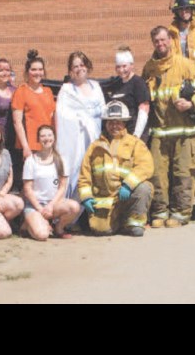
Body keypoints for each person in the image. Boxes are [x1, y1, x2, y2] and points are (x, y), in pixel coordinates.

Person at [142, 25, 195, 228]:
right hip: (160, 133)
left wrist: (191, 104)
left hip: (185, 133)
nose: (161, 44)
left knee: (183, 173)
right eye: (156, 41)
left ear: (171, 41)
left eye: (164, 40)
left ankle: (181, 213)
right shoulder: (149, 68)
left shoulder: (186, 65)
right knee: (157, 175)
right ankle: (160, 212)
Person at [78, 101, 154, 237]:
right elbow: (85, 175)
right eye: (110, 122)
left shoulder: (135, 143)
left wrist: (128, 184)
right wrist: (86, 197)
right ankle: (118, 223)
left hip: (126, 195)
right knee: (101, 231)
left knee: (144, 187)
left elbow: (146, 166)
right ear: (105, 124)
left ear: (124, 123)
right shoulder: (94, 147)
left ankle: (134, 223)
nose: (114, 126)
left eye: (118, 122)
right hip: (106, 200)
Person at [55, 51, 105, 199]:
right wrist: (81, 119)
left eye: (82, 64)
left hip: (94, 137)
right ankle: (71, 212)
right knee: (76, 171)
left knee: (94, 171)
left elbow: (103, 109)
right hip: (75, 141)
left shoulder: (96, 86)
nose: (79, 68)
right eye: (75, 66)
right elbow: (62, 114)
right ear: (71, 70)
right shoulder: (67, 90)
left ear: (87, 66)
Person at [21, 125, 81, 241]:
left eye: (49, 135)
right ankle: (27, 224)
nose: (46, 138)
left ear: (54, 138)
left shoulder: (62, 160)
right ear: (38, 139)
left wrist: (50, 206)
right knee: (42, 235)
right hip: (35, 205)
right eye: (43, 136)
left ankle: (58, 228)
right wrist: (40, 209)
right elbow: (27, 189)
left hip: (53, 205)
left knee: (74, 207)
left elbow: (62, 187)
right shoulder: (31, 160)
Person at [11, 49, 56, 162]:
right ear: (27, 72)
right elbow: (17, 122)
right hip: (31, 146)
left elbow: (52, 118)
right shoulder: (21, 91)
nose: (37, 73)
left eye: (40, 69)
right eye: (34, 69)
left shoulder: (48, 91)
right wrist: (25, 147)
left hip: (47, 144)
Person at [105, 45, 151, 141]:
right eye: (118, 67)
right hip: (119, 135)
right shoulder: (115, 83)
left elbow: (144, 109)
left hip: (134, 135)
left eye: (124, 66)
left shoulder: (138, 83)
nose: (121, 70)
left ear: (132, 65)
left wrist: (137, 135)